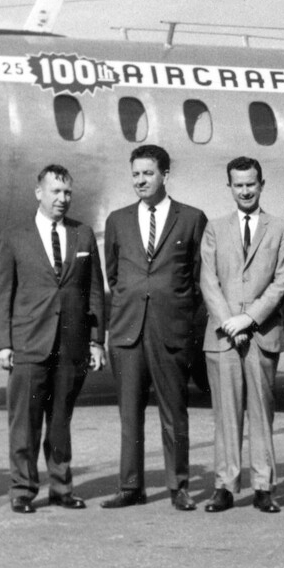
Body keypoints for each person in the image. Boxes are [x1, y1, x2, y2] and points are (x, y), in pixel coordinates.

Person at [0, 163, 106, 514]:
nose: (62, 198)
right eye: (55, 191)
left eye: (67, 192)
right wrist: (4, 343)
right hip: (29, 343)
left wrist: (96, 340)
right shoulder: (15, 236)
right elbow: (2, 294)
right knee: (24, 424)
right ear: (39, 192)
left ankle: (61, 487)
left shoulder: (83, 234)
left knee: (60, 423)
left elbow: (94, 292)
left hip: (70, 346)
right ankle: (23, 490)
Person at [103, 144, 208, 509]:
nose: (140, 181)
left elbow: (198, 279)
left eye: (148, 173)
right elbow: (114, 274)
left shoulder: (192, 218)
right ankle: (130, 486)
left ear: (165, 174)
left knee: (173, 413)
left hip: (170, 331)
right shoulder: (117, 220)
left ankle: (178, 486)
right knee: (129, 414)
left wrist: (176, 312)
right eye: (135, 174)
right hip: (128, 330)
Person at [197, 157, 284, 513]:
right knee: (226, 414)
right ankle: (224, 485)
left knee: (261, 413)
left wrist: (248, 319)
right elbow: (209, 282)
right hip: (222, 337)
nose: (245, 191)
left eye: (251, 184)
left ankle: (263, 486)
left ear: (262, 184)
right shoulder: (214, 228)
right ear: (230, 188)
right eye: (238, 185)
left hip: (262, 333)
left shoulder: (281, 228)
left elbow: (280, 283)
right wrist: (229, 322)